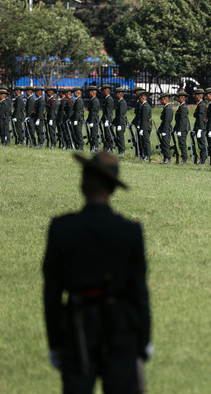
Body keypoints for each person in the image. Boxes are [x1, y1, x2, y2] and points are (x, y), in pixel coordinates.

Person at [43, 151, 152, 393]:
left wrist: (55, 343)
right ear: (113, 189)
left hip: (77, 327)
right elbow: (139, 291)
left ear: (82, 184)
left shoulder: (62, 229)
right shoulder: (129, 232)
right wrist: (144, 340)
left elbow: (52, 292)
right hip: (120, 328)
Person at [174, 89, 190, 164]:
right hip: (180, 128)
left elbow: (183, 120)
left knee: (182, 144)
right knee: (180, 143)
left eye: (179, 97)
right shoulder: (181, 107)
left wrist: (180, 130)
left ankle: (184, 159)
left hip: (183, 128)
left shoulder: (183, 108)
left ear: (182, 98)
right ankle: (183, 158)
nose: (177, 99)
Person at [192, 88, 207, 165]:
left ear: (199, 96)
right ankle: (202, 159)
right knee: (200, 144)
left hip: (200, 128)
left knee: (201, 144)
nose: (195, 97)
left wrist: (200, 129)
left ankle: (203, 159)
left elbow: (201, 118)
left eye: (196, 96)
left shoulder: (201, 105)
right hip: (198, 127)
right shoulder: (200, 105)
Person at [158, 92, 173, 164]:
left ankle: (168, 158)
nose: (161, 101)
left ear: (165, 100)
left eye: (162, 99)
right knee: (163, 143)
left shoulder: (168, 109)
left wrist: (164, 130)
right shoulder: (166, 108)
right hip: (164, 128)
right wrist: (160, 128)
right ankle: (165, 158)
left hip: (166, 129)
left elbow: (167, 121)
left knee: (166, 144)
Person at [113, 87, 128, 155]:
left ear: (119, 94)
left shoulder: (122, 102)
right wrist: (113, 123)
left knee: (120, 137)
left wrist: (120, 124)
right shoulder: (119, 102)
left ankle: (122, 151)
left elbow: (121, 115)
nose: (115, 95)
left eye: (116, 94)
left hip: (120, 123)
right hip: (118, 122)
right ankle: (120, 150)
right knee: (118, 137)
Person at [101, 84, 115, 152]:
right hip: (105, 118)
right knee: (106, 134)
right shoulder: (106, 99)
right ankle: (106, 148)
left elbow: (109, 111)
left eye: (103, 91)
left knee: (108, 134)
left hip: (108, 119)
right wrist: (102, 119)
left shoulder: (109, 99)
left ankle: (110, 147)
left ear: (107, 91)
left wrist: (107, 120)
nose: (102, 92)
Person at [86, 85, 101, 152]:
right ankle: (93, 146)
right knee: (92, 133)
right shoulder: (92, 100)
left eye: (89, 92)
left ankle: (95, 146)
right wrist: (87, 120)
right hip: (92, 119)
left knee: (94, 134)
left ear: (93, 92)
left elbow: (94, 112)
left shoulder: (95, 101)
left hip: (94, 120)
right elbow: (90, 112)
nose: (88, 94)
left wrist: (91, 121)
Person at [138, 91, 152, 161]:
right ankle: (146, 155)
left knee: (146, 141)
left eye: (139, 98)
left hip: (145, 126)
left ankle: (148, 155)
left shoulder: (145, 106)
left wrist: (142, 129)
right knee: (144, 141)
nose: (139, 100)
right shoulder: (144, 105)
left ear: (142, 98)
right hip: (144, 125)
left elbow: (144, 119)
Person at [72, 87, 85, 151]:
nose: (73, 94)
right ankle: (79, 145)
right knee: (77, 132)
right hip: (77, 118)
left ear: (78, 93)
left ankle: (81, 145)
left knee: (78, 132)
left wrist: (76, 120)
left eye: (74, 92)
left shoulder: (79, 100)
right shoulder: (77, 100)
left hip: (78, 119)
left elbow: (78, 111)